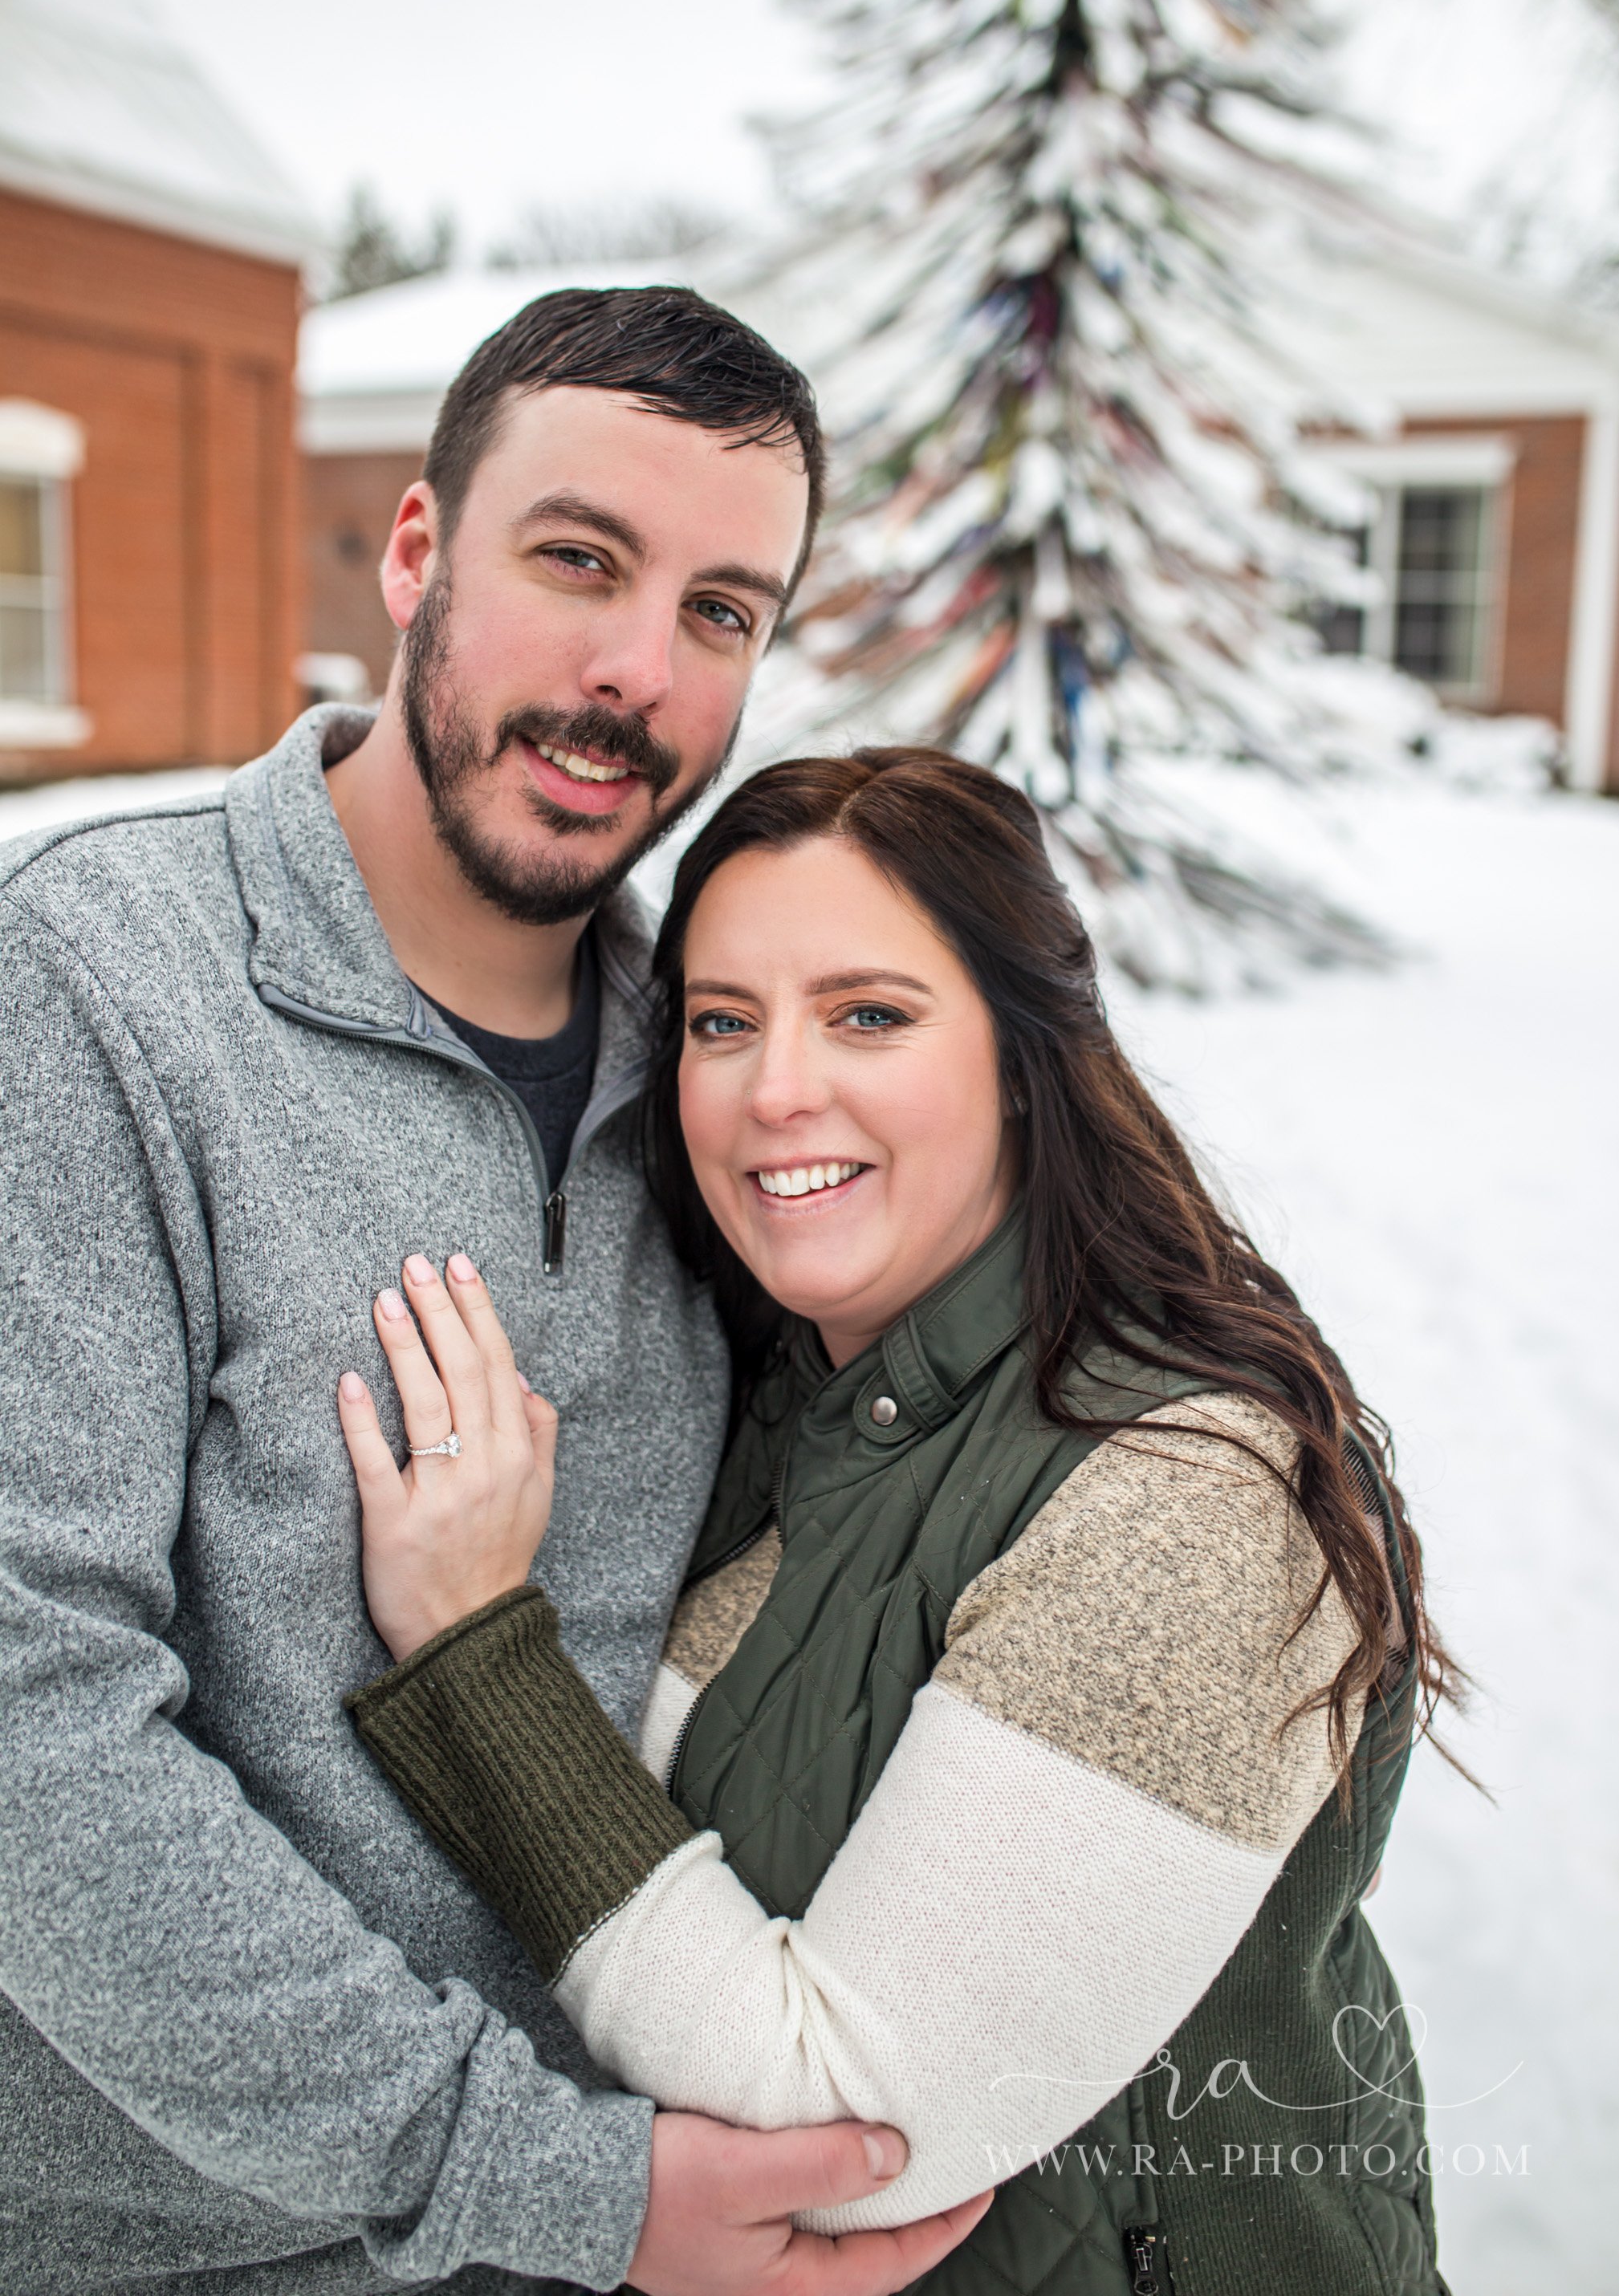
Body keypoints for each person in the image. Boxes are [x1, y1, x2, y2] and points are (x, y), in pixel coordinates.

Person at [0, 288, 985, 2295]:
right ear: (419, 552)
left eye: (723, 611)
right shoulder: (96, 988)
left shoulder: (719, 1074)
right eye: (579, 561)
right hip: (184, 2255)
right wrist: (534, 2175)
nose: (637, 674)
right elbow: (30, 1720)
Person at [336, 748, 1458, 2296]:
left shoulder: (1193, 1496)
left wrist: (475, 1649)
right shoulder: (775, 1391)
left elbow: (845, 2133)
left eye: (869, 1013)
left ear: (1023, 1053)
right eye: (723, 1023)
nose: (776, 1086)